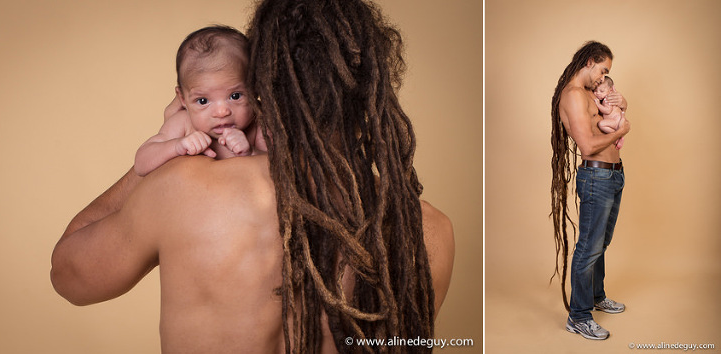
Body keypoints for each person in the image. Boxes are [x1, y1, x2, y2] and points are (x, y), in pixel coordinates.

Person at [50, 0, 455, 353]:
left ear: (263, 83)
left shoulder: (182, 188)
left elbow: (68, 275)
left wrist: (172, 139)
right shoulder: (426, 231)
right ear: (374, 89)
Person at [550, 41, 630, 340]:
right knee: (589, 247)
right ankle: (579, 316)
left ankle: (596, 296)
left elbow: (606, 116)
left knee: (602, 242)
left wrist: (622, 103)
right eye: (603, 70)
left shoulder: (589, 94)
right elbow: (587, 146)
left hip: (613, 175)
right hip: (596, 178)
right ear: (590, 61)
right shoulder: (572, 96)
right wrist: (622, 130)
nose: (603, 77)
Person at [134, 25, 266, 177]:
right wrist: (177, 146)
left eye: (235, 96)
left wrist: (251, 152)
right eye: (203, 101)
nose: (221, 112)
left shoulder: (258, 124)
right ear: (182, 99)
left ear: (255, 90)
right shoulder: (183, 123)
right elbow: (141, 164)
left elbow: (279, 167)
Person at [593, 76, 625, 149]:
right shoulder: (605, 97)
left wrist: (598, 104)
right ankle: (618, 136)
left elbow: (608, 111)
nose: (597, 93)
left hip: (616, 121)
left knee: (601, 124)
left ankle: (616, 136)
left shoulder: (608, 99)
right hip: (617, 120)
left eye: (601, 91)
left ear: (610, 91)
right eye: (595, 90)